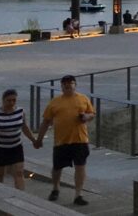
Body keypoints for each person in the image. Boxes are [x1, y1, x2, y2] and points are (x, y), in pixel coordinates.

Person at [34, 74, 94, 206]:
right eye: (65, 83)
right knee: (57, 167)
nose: (68, 85)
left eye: (70, 83)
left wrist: (86, 117)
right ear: (61, 86)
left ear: (75, 85)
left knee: (80, 166)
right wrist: (39, 139)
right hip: (61, 141)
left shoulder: (83, 99)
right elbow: (46, 122)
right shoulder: (55, 102)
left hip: (80, 140)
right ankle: (55, 188)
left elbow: (91, 114)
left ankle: (78, 194)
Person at [0, 88, 36, 189]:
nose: (11, 103)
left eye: (14, 100)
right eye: (9, 100)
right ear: (3, 100)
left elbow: (24, 127)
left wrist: (34, 140)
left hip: (15, 147)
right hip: (0, 149)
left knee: (19, 173)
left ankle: (21, 196)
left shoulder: (20, 112)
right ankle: (0, 196)